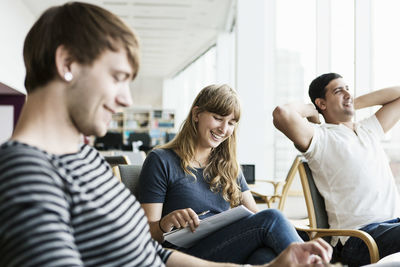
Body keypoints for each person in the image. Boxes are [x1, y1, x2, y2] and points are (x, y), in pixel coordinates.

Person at [0, 2, 333, 267]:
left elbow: (151, 255)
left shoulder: (86, 160)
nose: (126, 99)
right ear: (67, 63)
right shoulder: (25, 172)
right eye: (117, 77)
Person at [138, 84, 305, 265]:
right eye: (218, 118)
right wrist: (166, 223)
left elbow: (255, 216)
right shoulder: (161, 160)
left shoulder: (227, 165)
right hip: (185, 256)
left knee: (266, 256)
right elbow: (146, 234)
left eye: (231, 123)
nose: (224, 129)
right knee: (272, 218)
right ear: (196, 115)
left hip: (225, 249)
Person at [272, 72, 400, 266]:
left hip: (393, 226)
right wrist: (312, 110)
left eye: (348, 89)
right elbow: (282, 113)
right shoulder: (320, 137)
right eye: (338, 91)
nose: (347, 94)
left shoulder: (369, 129)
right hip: (360, 238)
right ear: (322, 103)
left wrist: (351, 101)